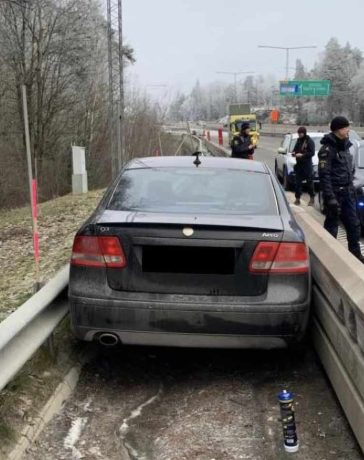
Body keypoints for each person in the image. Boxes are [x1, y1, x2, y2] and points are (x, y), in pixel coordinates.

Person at [318, 116, 364, 262]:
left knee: (353, 224)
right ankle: (327, 257)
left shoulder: (345, 147)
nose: (348, 130)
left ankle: (355, 255)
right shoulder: (327, 150)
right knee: (332, 227)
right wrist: (330, 198)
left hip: (348, 194)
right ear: (339, 129)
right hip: (335, 194)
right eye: (346, 127)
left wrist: (352, 189)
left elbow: (349, 171)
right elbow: (324, 175)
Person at [292, 126, 315, 206]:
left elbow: (312, 153)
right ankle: (297, 199)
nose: (299, 135)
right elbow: (294, 150)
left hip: (307, 166)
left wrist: (302, 155)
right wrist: (294, 154)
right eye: (298, 133)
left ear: (304, 133)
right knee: (298, 183)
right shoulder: (298, 141)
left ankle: (312, 198)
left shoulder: (309, 141)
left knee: (309, 183)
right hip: (299, 166)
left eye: (300, 133)